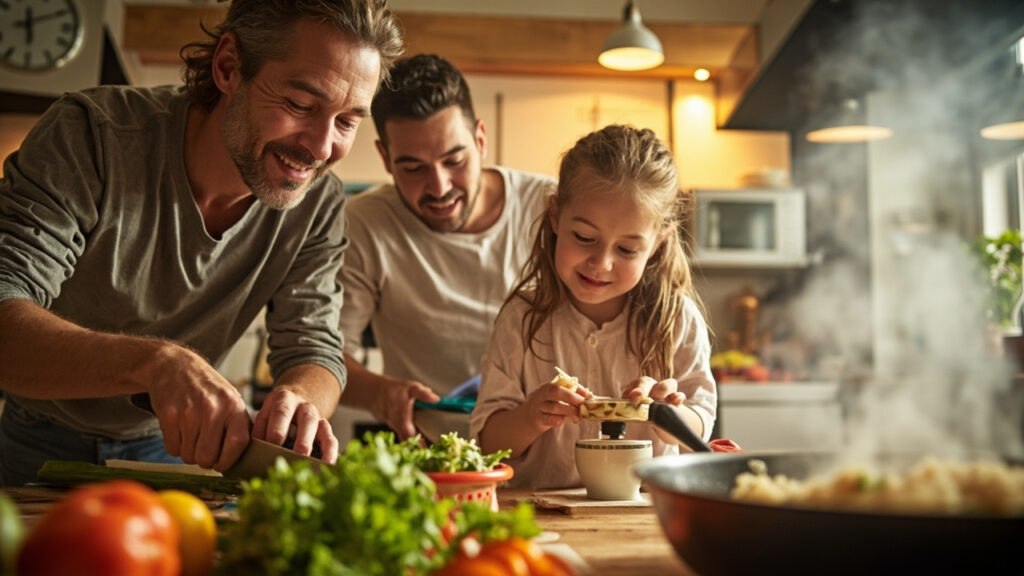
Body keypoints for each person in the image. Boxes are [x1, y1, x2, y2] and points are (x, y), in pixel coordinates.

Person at [0, 0, 404, 486]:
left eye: (347, 121)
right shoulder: (93, 137)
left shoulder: (318, 202)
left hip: (171, 452)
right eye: (300, 105)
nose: (321, 148)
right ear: (229, 66)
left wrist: (301, 399)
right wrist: (156, 363)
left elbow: (314, 346)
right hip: (33, 441)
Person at [470, 124, 718, 489]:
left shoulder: (677, 319)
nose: (601, 263)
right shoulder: (522, 317)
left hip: (643, 517)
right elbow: (487, 443)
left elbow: (701, 427)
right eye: (584, 238)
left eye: (627, 249)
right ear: (555, 216)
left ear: (658, 244)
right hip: (539, 515)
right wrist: (530, 416)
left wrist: (670, 414)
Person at [337, 54, 555, 440]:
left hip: (547, 449)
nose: (439, 187)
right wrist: (380, 392)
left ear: (481, 140)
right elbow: (331, 355)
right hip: (435, 456)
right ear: (385, 158)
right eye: (413, 168)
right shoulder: (364, 224)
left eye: (454, 160)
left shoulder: (550, 208)